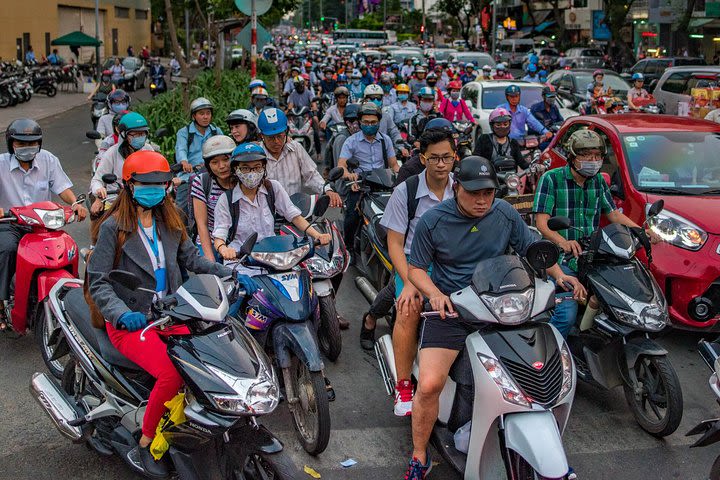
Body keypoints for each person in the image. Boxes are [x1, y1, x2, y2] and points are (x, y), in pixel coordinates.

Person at [403, 156, 585, 479]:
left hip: (503, 307)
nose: (482, 200)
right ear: (457, 187)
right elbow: (416, 268)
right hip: (454, 311)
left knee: (538, 372)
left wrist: (559, 275)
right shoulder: (433, 221)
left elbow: (531, 247)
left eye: (488, 192)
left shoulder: (504, 212)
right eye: (474, 193)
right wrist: (434, 293)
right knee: (430, 384)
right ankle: (420, 457)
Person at [87, 150, 232, 477]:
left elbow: (193, 261)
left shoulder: (172, 219)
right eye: (145, 184)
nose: (154, 190)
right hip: (132, 322)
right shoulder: (113, 228)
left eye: (160, 184)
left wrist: (227, 273)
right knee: (172, 373)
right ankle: (146, 441)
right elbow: (98, 283)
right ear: (129, 185)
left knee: (205, 366)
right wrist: (122, 313)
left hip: (172, 314)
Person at [363, 129, 456, 417]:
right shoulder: (407, 191)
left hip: (453, 263)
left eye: (447, 158)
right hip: (415, 262)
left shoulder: (463, 187)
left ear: (455, 157)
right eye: (434, 158)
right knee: (407, 307)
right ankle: (403, 385)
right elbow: (395, 243)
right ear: (422, 158)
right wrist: (410, 282)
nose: (441, 164)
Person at [533, 129, 659, 338]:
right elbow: (542, 223)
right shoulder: (551, 179)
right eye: (586, 155)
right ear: (572, 157)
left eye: (597, 156)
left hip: (593, 255)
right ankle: (552, 353)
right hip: (561, 259)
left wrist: (641, 231)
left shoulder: (598, 181)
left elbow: (613, 215)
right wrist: (563, 242)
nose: (593, 160)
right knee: (566, 316)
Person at [0, 119, 87, 329]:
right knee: (7, 249)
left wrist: (75, 203)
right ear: (11, 144)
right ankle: (1, 303)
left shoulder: (48, 160)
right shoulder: (1, 163)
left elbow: (62, 187)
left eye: (31, 143)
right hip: (10, 223)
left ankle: (70, 295)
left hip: (42, 225)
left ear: (39, 143)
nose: (26, 148)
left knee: (65, 249)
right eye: (20, 144)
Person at [212, 142, 331, 265]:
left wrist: (317, 235)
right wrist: (224, 249)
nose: (252, 173)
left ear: (264, 168)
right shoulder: (226, 200)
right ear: (236, 170)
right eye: (245, 168)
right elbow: (219, 234)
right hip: (241, 260)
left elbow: (294, 216)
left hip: (274, 257)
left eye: (257, 167)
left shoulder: (273, 188)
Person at [337, 103, 399, 250]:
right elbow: (341, 166)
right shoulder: (351, 141)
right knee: (352, 216)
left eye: (373, 122)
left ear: (379, 122)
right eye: (365, 122)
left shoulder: (386, 140)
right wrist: (349, 176)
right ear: (359, 122)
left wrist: (401, 177)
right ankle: (349, 248)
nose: (369, 125)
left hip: (383, 184)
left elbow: (394, 165)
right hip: (360, 185)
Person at [258, 108, 342, 206]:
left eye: (280, 136)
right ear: (262, 136)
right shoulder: (257, 155)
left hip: (295, 209)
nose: (276, 141)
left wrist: (326, 190)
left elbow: (311, 175)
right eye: (271, 138)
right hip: (266, 212)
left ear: (286, 131)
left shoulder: (296, 148)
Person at [91, 112, 155, 216]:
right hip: (116, 202)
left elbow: (157, 173)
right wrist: (99, 190)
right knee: (107, 227)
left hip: (146, 200)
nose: (140, 137)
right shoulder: (111, 153)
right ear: (124, 134)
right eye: (136, 134)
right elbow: (97, 180)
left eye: (143, 133)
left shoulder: (149, 150)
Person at [174, 97, 223, 216]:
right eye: (201, 114)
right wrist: (184, 162)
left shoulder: (216, 131)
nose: (205, 117)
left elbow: (224, 148)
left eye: (208, 113)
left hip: (211, 174)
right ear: (193, 116)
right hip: (189, 175)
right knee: (180, 210)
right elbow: (181, 149)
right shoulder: (184, 132)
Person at [192, 135, 237, 261]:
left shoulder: (243, 180)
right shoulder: (201, 182)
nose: (221, 166)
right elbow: (202, 224)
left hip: (238, 242)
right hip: (210, 242)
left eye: (225, 159)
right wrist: (210, 260)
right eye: (214, 162)